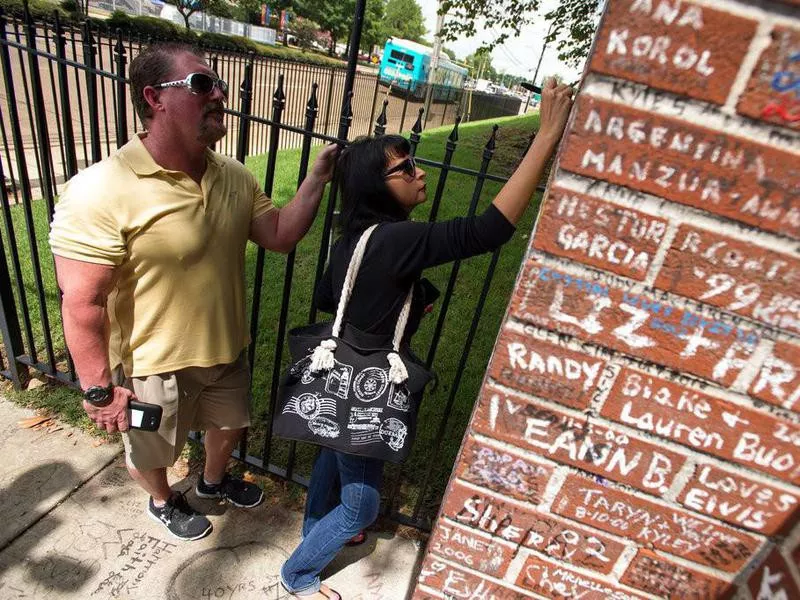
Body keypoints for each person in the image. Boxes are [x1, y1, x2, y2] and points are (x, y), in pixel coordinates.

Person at [279, 78, 574, 599]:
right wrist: (547, 134)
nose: (421, 171)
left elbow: (331, 296)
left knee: (332, 452)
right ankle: (298, 573)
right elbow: (487, 230)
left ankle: (312, 533)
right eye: (406, 167)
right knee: (361, 505)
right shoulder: (399, 239)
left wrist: (404, 296)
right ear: (378, 185)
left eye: (415, 160)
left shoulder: (356, 236)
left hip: (337, 376)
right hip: (367, 380)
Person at [49, 42, 338, 541]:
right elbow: (82, 300)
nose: (219, 93)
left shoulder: (235, 176)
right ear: (154, 98)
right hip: (153, 362)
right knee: (153, 449)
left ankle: (212, 481)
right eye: (202, 84)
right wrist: (98, 390)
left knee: (228, 427)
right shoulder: (99, 189)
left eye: (218, 84)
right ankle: (162, 501)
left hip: (225, 348)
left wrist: (316, 177)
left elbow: (280, 236)